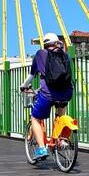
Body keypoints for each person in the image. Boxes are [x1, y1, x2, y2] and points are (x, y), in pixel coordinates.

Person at [20, 32, 73, 160]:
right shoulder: (65, 55)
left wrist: (23, 86)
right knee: (61, 114)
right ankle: (62, 140)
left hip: (48, 94)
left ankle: (42, 148)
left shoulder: (40, 54)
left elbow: (31, 75)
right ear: (56, 43)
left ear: (45, 44)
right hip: (66, 92)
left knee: (35, 119)